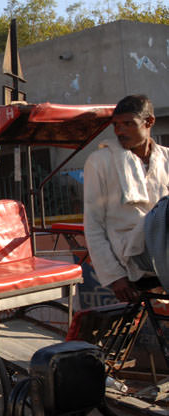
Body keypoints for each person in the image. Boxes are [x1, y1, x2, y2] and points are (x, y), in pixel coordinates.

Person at [84, 94, 169, 302]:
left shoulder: (166, 158)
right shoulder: (99, 162)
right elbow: (93, 225)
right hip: (132, 253)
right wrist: (115, 276)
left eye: (128, 124)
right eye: (116, 125)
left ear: (149, 122)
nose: (119, 131)